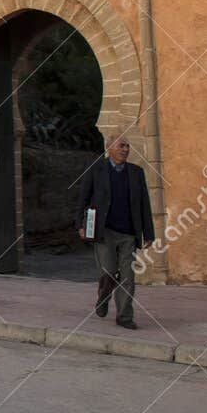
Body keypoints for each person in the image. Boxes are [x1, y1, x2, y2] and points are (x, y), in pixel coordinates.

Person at [76, 135, 155, 330]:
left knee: (128, 276)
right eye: (121, 146)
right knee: (109, 272)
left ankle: (124, 317)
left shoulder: (136, 173)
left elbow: (144, 204)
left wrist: (148, 233)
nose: (125, 149)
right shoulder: (96, 169)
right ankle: (103, 297)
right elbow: (83, 198)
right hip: (105, 231)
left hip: (129, 233)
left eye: (127, 146)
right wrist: (80, 225)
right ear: (109, 147)